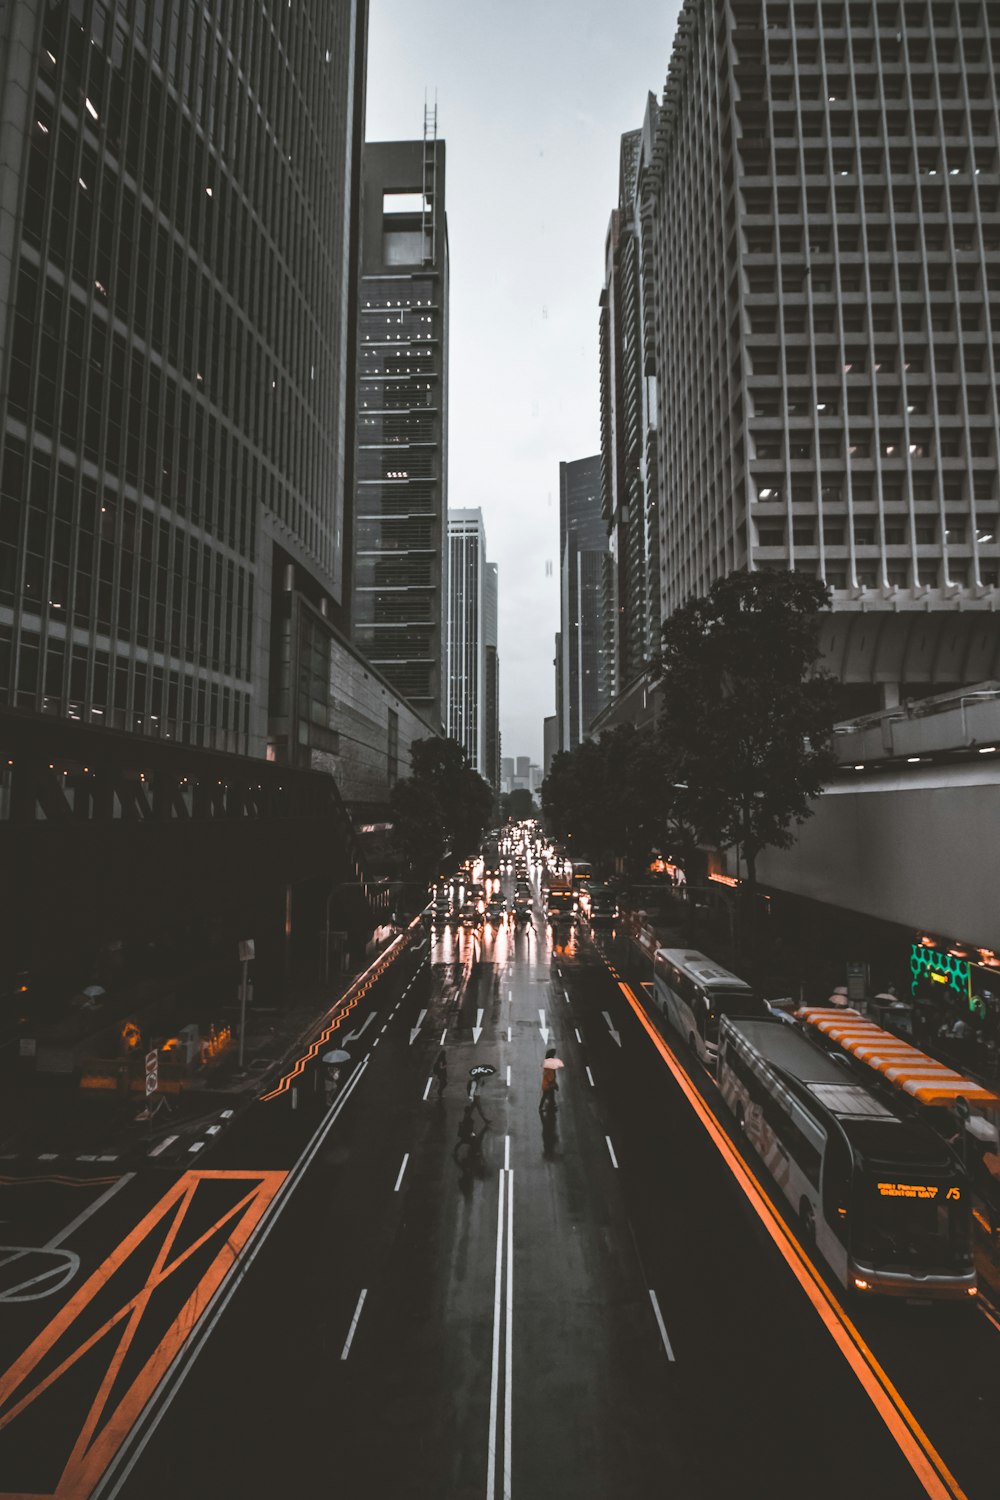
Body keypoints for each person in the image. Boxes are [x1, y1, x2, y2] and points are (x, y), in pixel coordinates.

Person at [539, 1047, 559, 1114]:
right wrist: (554, 1084)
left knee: (550, 1095)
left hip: (547, 1084)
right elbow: (551, 1077)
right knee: (545, 1095)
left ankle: (552, 1105)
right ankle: (541, 1107)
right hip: (548, 1085)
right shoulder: (549, 1066)